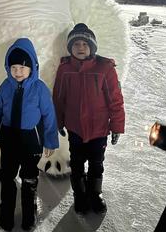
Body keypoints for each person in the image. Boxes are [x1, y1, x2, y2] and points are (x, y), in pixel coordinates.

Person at [0, 38, 59, 231]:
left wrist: (50, 141)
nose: (18, 72)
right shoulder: (5, 87)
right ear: (8, 68)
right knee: (7, 178)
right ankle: (6, 213)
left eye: (22, 67)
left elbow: (49, 116)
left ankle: (29, 213)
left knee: (29, 178)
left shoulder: (40, 89)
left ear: (32, 67)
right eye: (14, 67)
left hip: (31, 143)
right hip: (8, 141)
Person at [53, 23, 125, 215]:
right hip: (75, 129)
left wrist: (116, 126)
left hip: (99, 130)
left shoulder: (105, 68)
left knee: (96, 163)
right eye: (76, 44)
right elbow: (58, 99)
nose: (81, 47)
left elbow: (115, 101)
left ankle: (95, 193)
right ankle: (80, 194)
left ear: (92, 47)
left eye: (85, 43)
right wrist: (59, 122)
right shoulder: (65, 69)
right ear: (70, 48)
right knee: (76, 164)